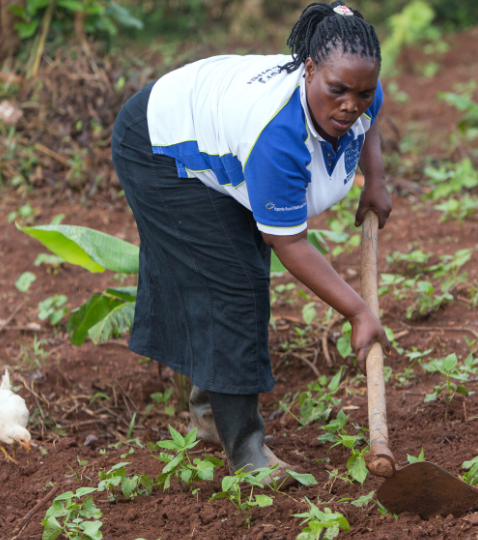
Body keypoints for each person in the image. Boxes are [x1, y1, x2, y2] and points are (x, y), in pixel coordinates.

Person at [110, 1, 392, 482]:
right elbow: (292, 245)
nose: (351, 104)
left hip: (213, 128)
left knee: (238, 272)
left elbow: (369, 125)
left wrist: (376, 180)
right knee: (233, 285)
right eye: (338, 91)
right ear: (308, 71)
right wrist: (358, 311)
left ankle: (209, 410)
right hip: (158, 145)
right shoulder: (277, 138)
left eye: (363, 92)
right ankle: (245, 452)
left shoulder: (360, 89)